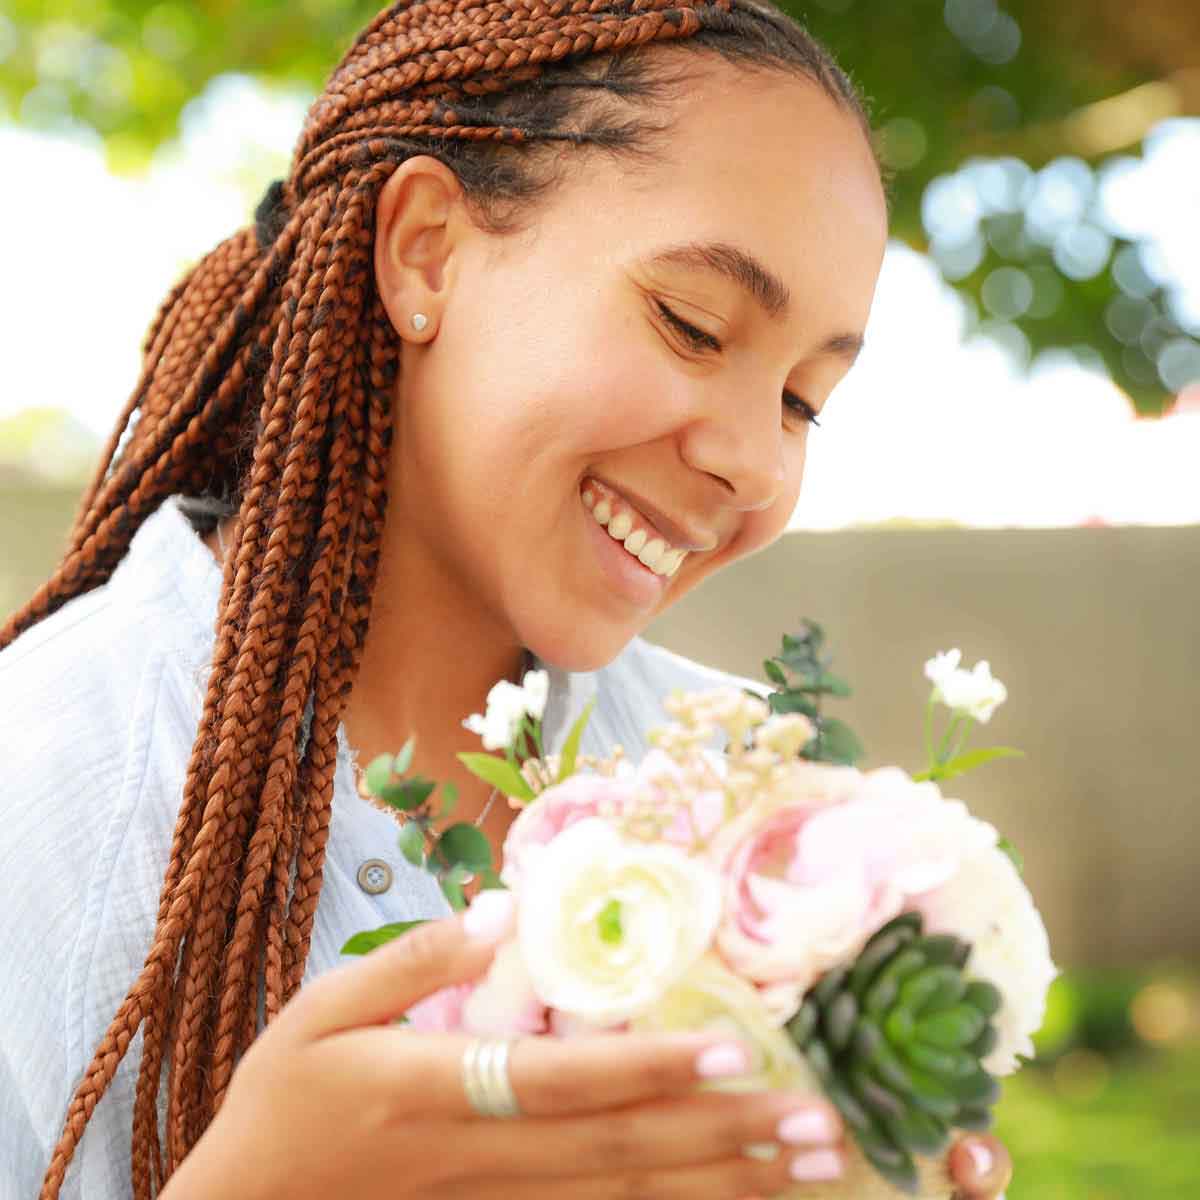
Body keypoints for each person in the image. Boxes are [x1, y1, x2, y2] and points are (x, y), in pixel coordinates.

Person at [0, 0, 1014, 1196]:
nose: (756, 461)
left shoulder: (748, 797)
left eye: (802, 401)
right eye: (693, 326)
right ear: (427, 250)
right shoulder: (46, 788)